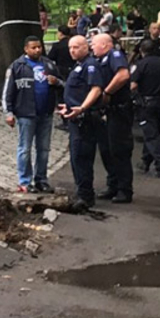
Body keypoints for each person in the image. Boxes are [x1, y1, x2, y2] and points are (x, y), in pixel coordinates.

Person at [2, 36, 60, 193]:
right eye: (33, 48)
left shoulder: (49, 64)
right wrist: (9, 112)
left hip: (46, 113)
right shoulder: (17, 66)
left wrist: (56, 83)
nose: (37, 50)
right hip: (26, 113)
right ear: (26, 49)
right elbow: (8, 91)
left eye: (39, 47)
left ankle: (41, 179)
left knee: (44, 149)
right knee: (25, 148)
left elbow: (62, 84)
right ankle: (25, 181)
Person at [59, 35, 106, 210]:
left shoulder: (90, 65)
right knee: (76, 157)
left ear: (86, 47)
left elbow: (96, 89)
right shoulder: (79, 65)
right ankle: (81, 191)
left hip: (85, 119)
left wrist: (83, 107)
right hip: (75, 116)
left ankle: (85, 195)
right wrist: (69, 105)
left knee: (82, 156)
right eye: (70, 48)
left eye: (76, 47)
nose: (72, 51)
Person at [90, 32, 135, 203]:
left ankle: (124, 189)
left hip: (118, 109)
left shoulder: (114, 55)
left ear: (105, 45)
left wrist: (107, 92)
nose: (92, 46)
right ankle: (113, 185)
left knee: (119, 150)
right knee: (107, 150)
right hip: (107, 111)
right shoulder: (100, 60)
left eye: (94, 43)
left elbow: (123, 75)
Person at [128, 38, 160, 178]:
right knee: (154, 131)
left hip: (146, 103)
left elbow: (133, 85)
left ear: (141, 51)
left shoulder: (141, 64)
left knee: (151, 135)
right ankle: (145, 160)